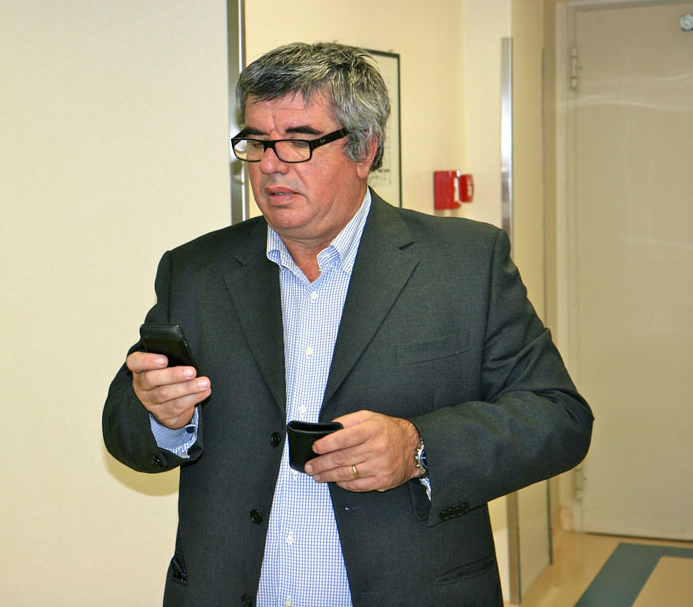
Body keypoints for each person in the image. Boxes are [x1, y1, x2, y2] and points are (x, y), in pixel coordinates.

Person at [102, 42, 593, 606]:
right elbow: (124, 426)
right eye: (257, 142)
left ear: (365, 150)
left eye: (299, 141)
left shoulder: (464, 264)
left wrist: (419, 447)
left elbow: (559, 417)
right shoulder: (195, 271)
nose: (270, 165)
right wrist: (162, 416)